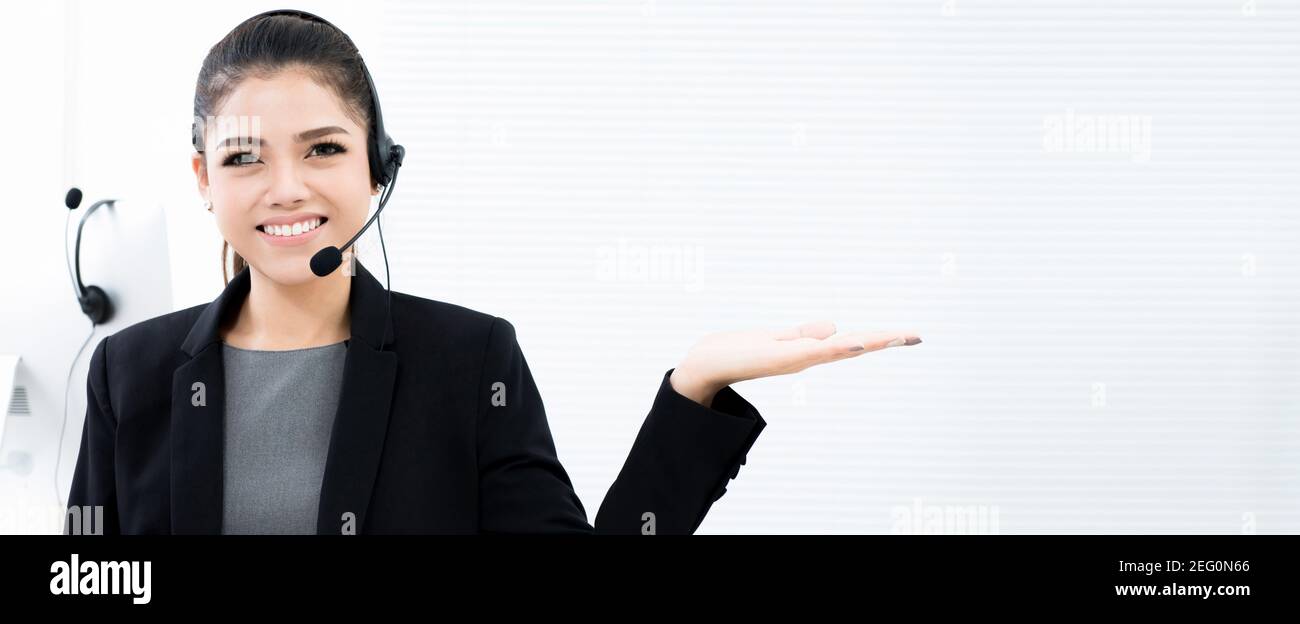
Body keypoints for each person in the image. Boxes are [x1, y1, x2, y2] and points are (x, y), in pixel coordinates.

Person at [64, 10, 921, 535]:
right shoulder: (129, 374)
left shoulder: (468, 363)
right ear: (205, 181)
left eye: (323, 148)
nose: (287, 187)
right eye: (246, 157)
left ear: (377, 167)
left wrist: (693, 389)